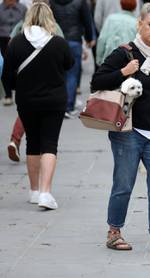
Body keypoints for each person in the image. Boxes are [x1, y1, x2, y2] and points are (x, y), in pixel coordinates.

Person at [91, 2, 150, 255]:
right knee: (124, 184)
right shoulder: (124, 53)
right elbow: (96, 81)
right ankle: (114, 232)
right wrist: (124, 72)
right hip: (128, 131)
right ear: (140, 24)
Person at [1, 2, 74, 209]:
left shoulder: (15, 42)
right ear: (49, 18)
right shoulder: (59, 42)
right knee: (50, 144)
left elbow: (6, 75)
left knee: (32, 143)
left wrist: (17, 88)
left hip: (26, 100)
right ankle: (45, 192)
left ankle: (33, 191)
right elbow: (69, 64)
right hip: (54, 100)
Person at [6, 0, 65, 163]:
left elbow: (11, 49)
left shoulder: (20, 27)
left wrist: (11, 88)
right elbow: (65, 55)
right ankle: (44, 180)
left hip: (26, 83)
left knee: (29, 123)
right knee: (49, 141)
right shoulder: (55, 29)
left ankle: (15, 139)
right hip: (50, 85)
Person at [50, 0, 95, 118]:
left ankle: (57, 104)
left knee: (58, 73)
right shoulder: (80, 2)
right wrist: (89, 38)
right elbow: (87, 20)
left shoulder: (52, 2)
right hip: (74, 40)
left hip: (56, 39)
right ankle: (68, 106)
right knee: (72, 74)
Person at [0, 0, 27, 106]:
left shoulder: (23, 8)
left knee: (19, 66)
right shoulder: (0, 9)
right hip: (2, 39)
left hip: (18, 39)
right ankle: (7, 94)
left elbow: (26, 22)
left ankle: (21, 91)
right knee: (4, 66)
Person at [96, 0, 137, 66]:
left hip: (109, 58)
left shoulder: (110, 19)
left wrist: (99, 59)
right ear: (135, 8)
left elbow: (102, 39)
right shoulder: (136, 23)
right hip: (128, 62)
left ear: (120, 5)